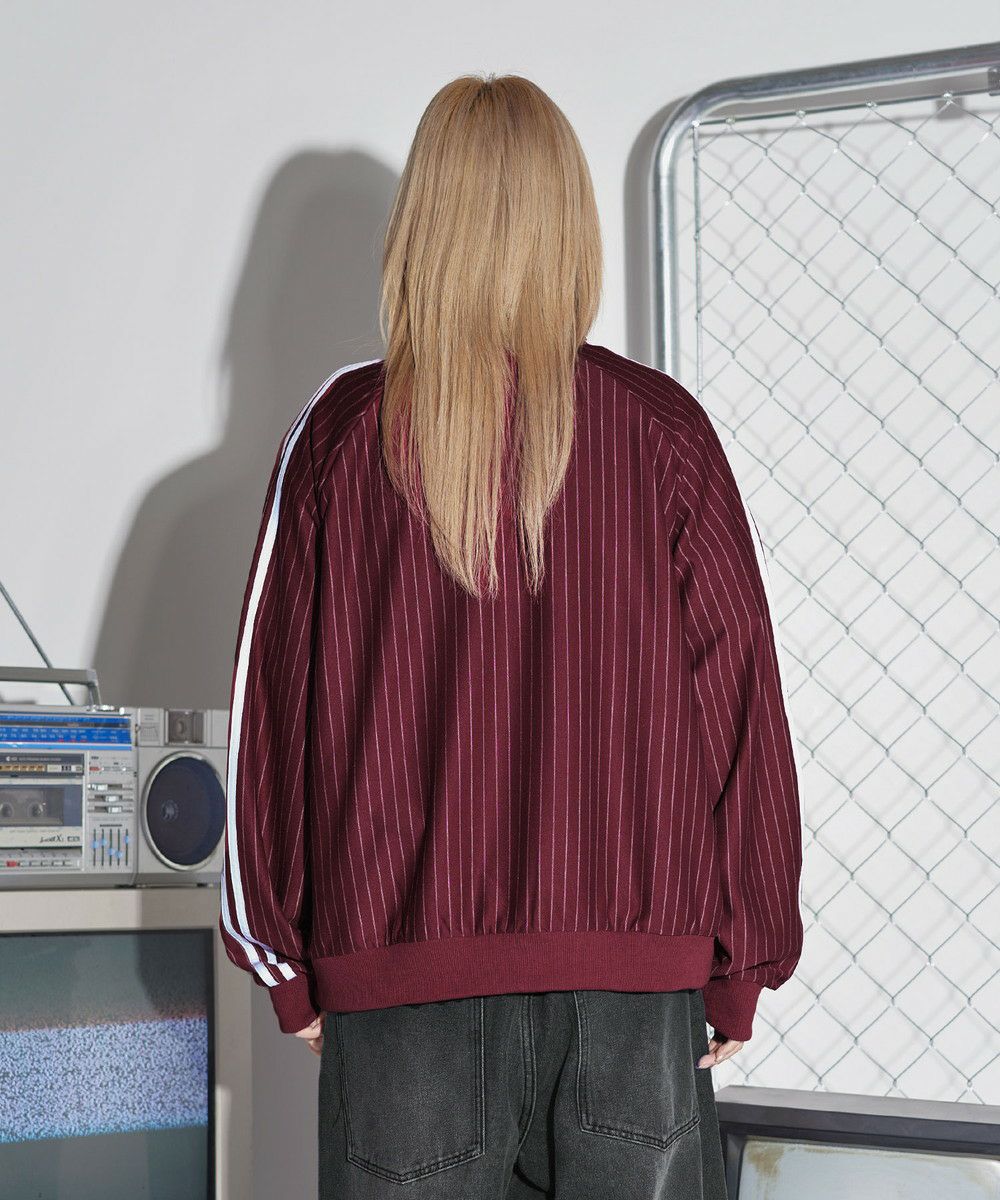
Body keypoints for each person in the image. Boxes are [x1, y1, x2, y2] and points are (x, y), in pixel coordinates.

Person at [218, 72, 804, 1199]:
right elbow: (741, 715)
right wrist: (745, 959)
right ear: (569, 225)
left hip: (405, 993)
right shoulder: (662, 431)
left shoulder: (340, 436)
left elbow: (266, 719)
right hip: (635, 1000)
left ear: (420, 228)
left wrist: (284, 963)